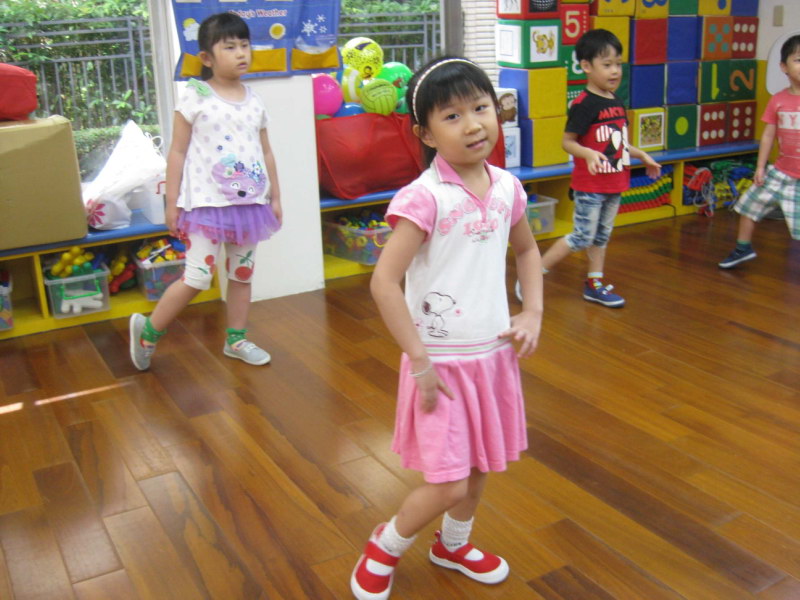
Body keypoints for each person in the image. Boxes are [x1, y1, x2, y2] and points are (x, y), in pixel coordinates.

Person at [349, 56, 543, 600]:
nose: (473, 124)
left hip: (492, 358)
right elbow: (384, 282)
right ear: (426, 134)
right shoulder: (425, 197)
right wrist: (418, 359)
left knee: (478, 468)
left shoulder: (508, 187)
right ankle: (385, 545)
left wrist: (533, 311)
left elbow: (527, 251)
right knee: (449, 482)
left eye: (480, 108)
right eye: (452, 116)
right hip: (439, 365)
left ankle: (453, 544)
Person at [129, 12, 281, 370]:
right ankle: (148, 332)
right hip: (205, 207)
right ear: (207, 58)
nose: (241, 53)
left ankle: (236, 339)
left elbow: (266, 152)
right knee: (197, 276)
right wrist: (172, 203)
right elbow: (177, 152)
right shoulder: (195, 96)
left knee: (242, 274)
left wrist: (275, 197)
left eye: (245, 45)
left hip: (249, 206)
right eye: (230, 47)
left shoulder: (254, 100)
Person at [515, 29, 661, 307]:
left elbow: (619, 143)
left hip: (615, 184)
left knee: (601, 236)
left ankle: (594, 284)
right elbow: (567, 142)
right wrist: (589, 154)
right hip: (591, 186)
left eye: (618, 64)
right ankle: (532, 275)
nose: (615, 71)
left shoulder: (616, 101)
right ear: (586, 66)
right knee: (581, 236)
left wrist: (642, 155)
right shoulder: (584, 104)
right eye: (607, 64)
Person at [719, 34, 800, 269]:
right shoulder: (778, 100)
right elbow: (767, 136)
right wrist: (761, 167)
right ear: (784, 67)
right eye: (798, 60)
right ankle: (742, 248)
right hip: (781, 172)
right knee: (748, 206)